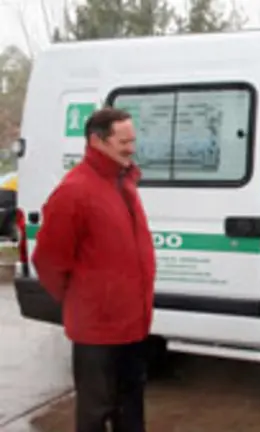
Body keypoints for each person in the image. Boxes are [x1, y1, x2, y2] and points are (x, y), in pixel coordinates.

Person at [32, 107, 156, 432]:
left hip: (132, 323)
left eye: (133, 140)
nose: (131, 148)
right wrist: (83, 298)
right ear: (97, 141)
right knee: (95, 413)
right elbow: (48, 260)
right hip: (97, 329)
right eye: (123, 142)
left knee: (131, 410)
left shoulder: (123, 181)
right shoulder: (75, 191)